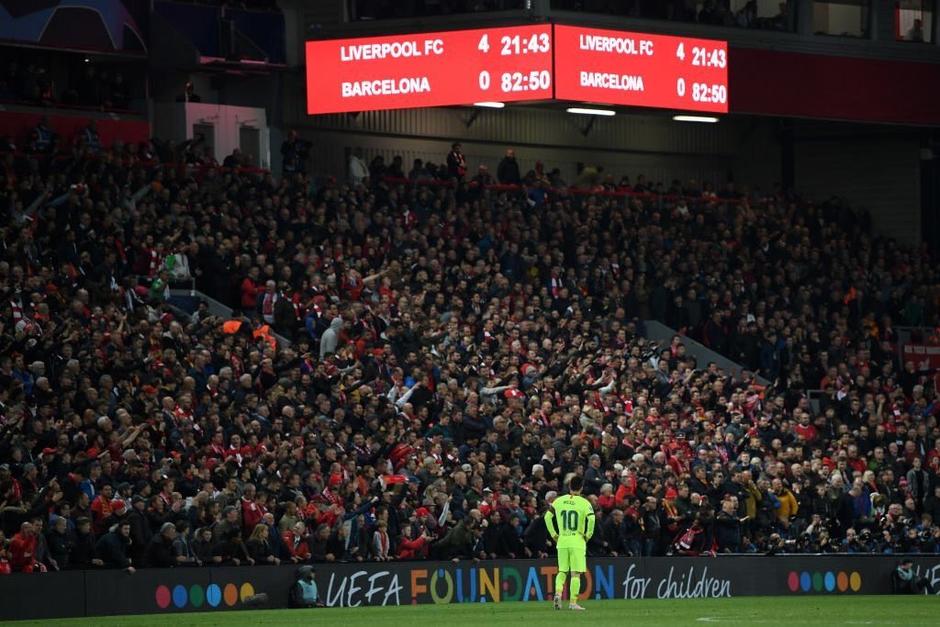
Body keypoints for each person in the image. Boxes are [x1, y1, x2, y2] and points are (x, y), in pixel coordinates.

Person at [545, 476, 594, 611]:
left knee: (562, 571)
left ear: (569, 486)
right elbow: (592, 520)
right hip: (577, 541)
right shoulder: (584, 503)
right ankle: (573, 603)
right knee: (575, 573)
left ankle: (558, 594)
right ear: (581, 487)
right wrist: (588, 535)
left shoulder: (558, 501)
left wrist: (554, 534)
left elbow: (547, 517)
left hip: (562, 541)